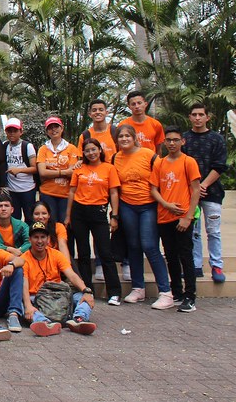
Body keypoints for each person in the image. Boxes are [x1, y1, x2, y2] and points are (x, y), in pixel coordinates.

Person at [114, 123, 172, 308]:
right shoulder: (116, 158)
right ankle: (138, 288)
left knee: (150, 246)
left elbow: (163, 177)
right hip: (127, 205)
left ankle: (165, 292)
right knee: (133, 246)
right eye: (121, 136)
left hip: (148, 205)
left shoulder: (149, 154)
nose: (124, 139)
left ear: (134, 138)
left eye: (127, 136)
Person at [150, 126, 202, 312]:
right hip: (164, 217)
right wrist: (166, 204)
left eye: (175, 140)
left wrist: (188, 216)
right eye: (168, 140)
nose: (172, 143)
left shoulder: (188, 162)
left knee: (185, 256)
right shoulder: (160, 163)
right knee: (170, 256)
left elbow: (196, 190)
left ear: (182, 141)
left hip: (183, 218)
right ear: (164, 142)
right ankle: (177, 292)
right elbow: (154, 189)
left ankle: (190, 296)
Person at [66, 138, 123, 305]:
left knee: (105, 252)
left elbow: (114, 193)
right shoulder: (79, 169)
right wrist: (68, 216)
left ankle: (114, 292)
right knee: (83, 253)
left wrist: (114, 216)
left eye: (94, 149)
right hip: (79, 212)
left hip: (99, 212)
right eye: (88, 150)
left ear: (100, 150)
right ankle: (86, 289)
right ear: (83, 153)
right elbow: (71, 192)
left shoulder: (109, 168)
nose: (91, 153)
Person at [21, 221, 97, 336]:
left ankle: (79, 320)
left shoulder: (56, 254)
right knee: (21, 304)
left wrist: (86, 291)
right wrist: (27, 306)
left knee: (83, 297)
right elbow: (24, 284)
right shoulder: (24, 258)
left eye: (43, 237)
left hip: (58, 295)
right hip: (34, 297)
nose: (40, 241)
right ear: (29, 239)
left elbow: (71, 275)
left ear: (48, 239)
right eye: (36, 237)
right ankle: (44, 323)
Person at [183, 103, 228, 283]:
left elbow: (220, 166)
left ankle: (216, 265)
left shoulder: (217, 139)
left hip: (213, 193)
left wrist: (203, 186)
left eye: (201, 114)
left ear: (207, 117)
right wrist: (194, 188)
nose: (198, 118)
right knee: (193, 231)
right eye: (194, 114)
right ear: (190, 117)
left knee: (213, 231)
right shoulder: (184, 139)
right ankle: (195, 265)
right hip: (190, 194)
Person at [35, 116, 80, 224]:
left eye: (56, 126)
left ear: (62, 128)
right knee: (50, 225)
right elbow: (42, 172)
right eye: (50, 128)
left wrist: (52, 172)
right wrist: (63, 172)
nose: (54, 130)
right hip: (47, 193)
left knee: (66, 225)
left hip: (66, 194)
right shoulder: (43, 149)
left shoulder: (71, 148)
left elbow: (72, 172)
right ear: (46, 131)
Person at [3, 118, 38, 221]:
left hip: (27, 188)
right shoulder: (4, 145)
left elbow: (34, 168)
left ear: (21, 132)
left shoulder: (27, 146)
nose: (12, 133)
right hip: (12, 189)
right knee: (14, 218)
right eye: (9, 131)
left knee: (30, 217)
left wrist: (19, 170)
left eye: (15, 131)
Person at [0, 192, 30, 257]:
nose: (3, 209)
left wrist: (19, 251)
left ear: (12, 210)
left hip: (19, 257)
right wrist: (8, 249)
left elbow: (30, 241)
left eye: (6, 205)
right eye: (0, 206)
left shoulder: (22, 226)